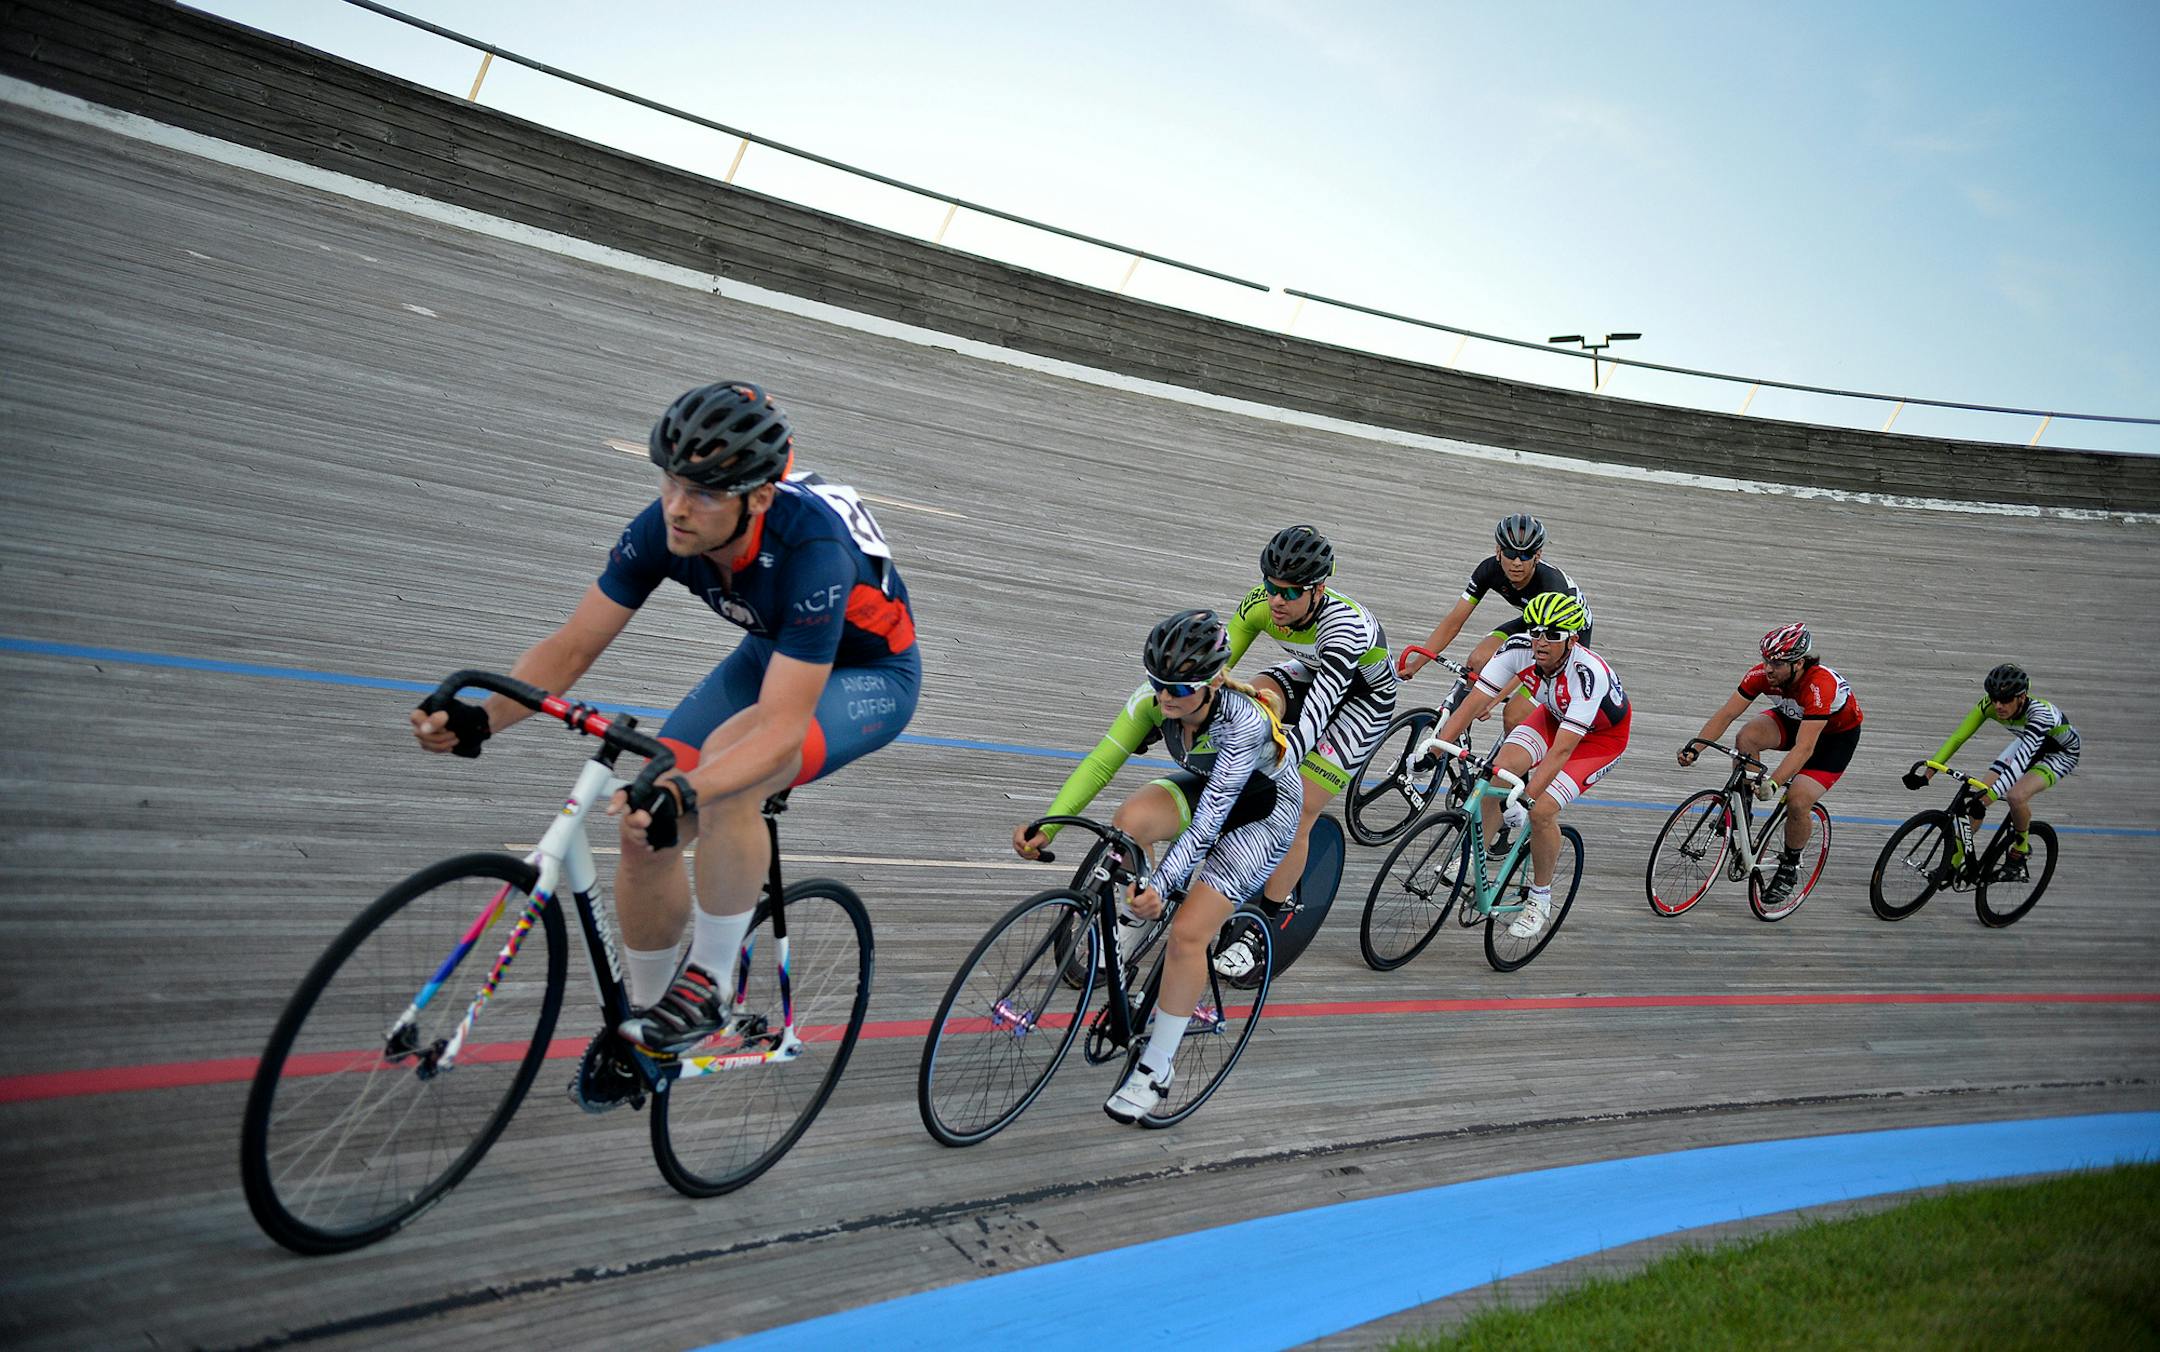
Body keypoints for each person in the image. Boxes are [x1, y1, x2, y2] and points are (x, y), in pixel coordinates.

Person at [410, 381, 921, 1110]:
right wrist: (482, 719)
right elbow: (573, 645)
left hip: (869, 674)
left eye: (706, 493)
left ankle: (709, 985)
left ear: (758, 500)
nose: (679, 506)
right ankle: (643, 1029)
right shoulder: (664, 528)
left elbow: (778, 731)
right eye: (672, 482)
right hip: (772, 652)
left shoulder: (811, 553)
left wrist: (692, 786)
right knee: (644, 826)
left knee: (732, 772)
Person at [1012, 610, 1303, 1125]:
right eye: (1158, 684)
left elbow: (1213, 820)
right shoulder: (1153, 703)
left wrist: (1163, 886)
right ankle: (1126, 930)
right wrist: (1049, 826)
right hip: (1213, 792)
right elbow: (1102, 763)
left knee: (1187, 934)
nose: (1166, 698)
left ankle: (1156, 1067)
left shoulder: (1244, 722)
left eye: (1180, 688)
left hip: (1261, 812)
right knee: (1130, 820)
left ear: (1214, 681)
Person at [1209, 524, 1397, 978]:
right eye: (1271, 586)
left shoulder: (1344, 626)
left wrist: (1281, 758)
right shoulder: (1260, 604)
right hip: (1307, 671)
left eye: (1290, 592)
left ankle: (1264, 925)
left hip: (1361, 702)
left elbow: (1320, 709)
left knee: (1297, 810)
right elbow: (1218, 668)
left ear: (1318, 591)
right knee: (1245, 698)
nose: (1276, 600)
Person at [1424, 589, 1627, 938]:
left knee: (1542, 810)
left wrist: (1528, 795)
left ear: (1573, 640)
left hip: (1598, 741)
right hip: (1552, 718)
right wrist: (1435, 750)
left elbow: (1563, 752)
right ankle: (1477, 857)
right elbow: (1474, 702)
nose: (1540, 641)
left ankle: (1540, 896)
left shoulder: (1586, 674)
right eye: (1535, 631)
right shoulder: (1518, 649)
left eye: (1552, 634)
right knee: (1494, 776)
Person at [1678, 623, 1862, 908]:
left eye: (1776, 663)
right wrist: (1696, 747)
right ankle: (1743, 812)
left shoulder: (1819, 685)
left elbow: (1805, 748)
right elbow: (1727, 714)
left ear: (1799, 663)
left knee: (1799, 800)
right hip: (1795, 718)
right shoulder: (1760, 675)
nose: (1768, 669)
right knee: (1746, 738)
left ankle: (1790, 864)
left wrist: (1774, 783)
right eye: (1766, 660)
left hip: (1833, 738)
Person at [1398, 513, 1594, 734]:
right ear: (1498, 551)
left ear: (1538, 556)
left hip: (1561, 636)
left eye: (1525, 555)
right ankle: (1458, 733)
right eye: (1510, 553)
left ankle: (1514, 763)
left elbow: (1529, 664)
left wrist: (1492, 701)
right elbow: (1454, 622)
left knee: (1514, 714)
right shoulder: (1489, 570)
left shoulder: (1552, 586)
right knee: (1478, 660)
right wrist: (1417, 663)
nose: (1517, 563)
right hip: (1533, 620)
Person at [1910, 663, 2079, 876]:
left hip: (2059, 753)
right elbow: (1958, 737)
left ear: (2022, 697)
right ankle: (1951, 866)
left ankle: (2020, 849)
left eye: (2006, 700)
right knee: (1977, 799)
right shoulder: (1990, 704)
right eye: (1994, 698)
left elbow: (2020, 764)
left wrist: (1987, 798)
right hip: (2027, 741)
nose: (1998, 705)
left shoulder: (2040, 715)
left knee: (2016, 796)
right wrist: (1929, 772)